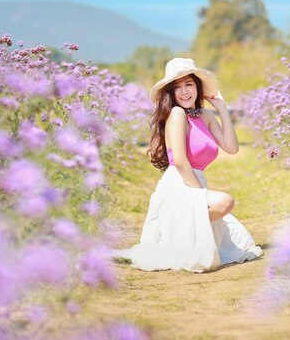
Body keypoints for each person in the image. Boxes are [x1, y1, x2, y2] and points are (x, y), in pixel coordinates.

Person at [112, 57, 263, 272]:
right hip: (179, 184)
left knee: (235, 236)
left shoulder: (206, 115)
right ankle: (174, 235)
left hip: (194, 182)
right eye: (177, 87)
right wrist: (199, 194)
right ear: (171, 93)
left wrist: (222, 109)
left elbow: (231, 148)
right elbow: (181, 162)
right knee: (225, 202)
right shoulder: (176, 114)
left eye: (189, 85)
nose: (184, 92)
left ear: (198, 87)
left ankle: (177, 236)